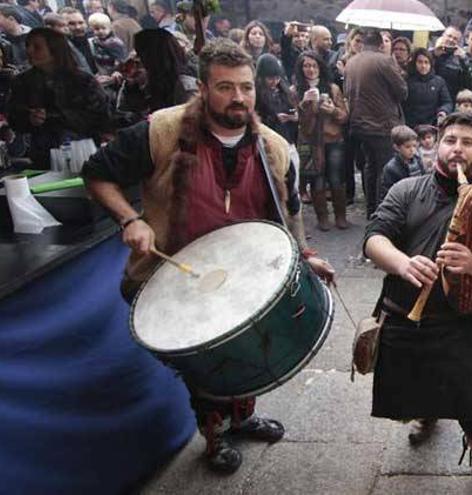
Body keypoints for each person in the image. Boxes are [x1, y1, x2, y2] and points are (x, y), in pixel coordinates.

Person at [81, 39, 335, 474]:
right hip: (173, 273)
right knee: (210, 364)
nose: (238, 97)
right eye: (224, 87)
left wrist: (305, 254)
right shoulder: (161, 130)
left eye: (246, 87)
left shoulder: (272, 146)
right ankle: (215, 437)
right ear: (202, 87)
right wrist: (130, 220)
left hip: (244, 269)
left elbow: (290, 211)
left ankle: (243, 416)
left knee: (253, 345)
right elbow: (97, 174)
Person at [363, 112, 472, 495]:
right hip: (403, 315)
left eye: (467, 142)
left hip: (458, 321)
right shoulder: (405, 190)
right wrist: (402, 262)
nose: (457, 149)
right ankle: (428, 412)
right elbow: (373, 238)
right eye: (450, 140)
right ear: (437, 146)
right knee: (417, 389)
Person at [6, 27, 111, 167]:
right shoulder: (22, 82)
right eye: (28, 46)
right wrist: (29, 118)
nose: (29, 51)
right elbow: (14, 116)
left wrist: (52, 116)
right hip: (43, 154)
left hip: (83, 150)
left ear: (55, 50)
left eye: (37, 47)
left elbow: (101, 116)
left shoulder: (82, 80)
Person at [344, 28, 407, 219]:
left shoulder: (351, 62)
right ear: (381, 44)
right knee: (384, 169)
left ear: (363, 43)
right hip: (381, 125)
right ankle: (383, 212)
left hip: (359, 124)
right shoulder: (384, 60)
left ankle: (371, 210)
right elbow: (403, 92)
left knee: (370, 167)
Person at [295, 50, 350, 230]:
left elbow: (344, 116)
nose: (310, 69)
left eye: (314, 65)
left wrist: (332, 110)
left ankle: (340, 215)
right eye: (306, 66)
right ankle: (322, 218)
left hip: (333, 139)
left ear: (320, 67)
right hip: (311, 141)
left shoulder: (332, 88)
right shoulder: (296, 90)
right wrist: (304, 105)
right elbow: (297, 122)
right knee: (316, 179)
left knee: (336, 177)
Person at [117, 29, 197, 118]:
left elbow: (189, 122)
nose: (137, 60)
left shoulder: (185, 87)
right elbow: (123, 113)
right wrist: (132, 87)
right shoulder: (147, 83)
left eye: (140, 54)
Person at [403, 48, 453, 128]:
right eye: (420, 62)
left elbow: (447, 102)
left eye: (426, 62)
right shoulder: (406, 81)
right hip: (410, 125)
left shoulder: (439, 82)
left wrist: (443, 111)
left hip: (432, 125)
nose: (423, 66)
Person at [254, 53, 296, 143]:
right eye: (270, 79)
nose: (274, 82)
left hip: (288, 136)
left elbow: (291, 108)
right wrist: (274, 119)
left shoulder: (284, 91)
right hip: (268, 138)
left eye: (277, 78)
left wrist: (293, 116)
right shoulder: (256, 94)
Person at [379, 124, 424, 200]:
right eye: (407, 147)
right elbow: (386, 192)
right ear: (397, 147)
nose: (412, 150)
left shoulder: (418, 160)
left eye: (414, 146)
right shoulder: (391, 168)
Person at [59, 7, 97, 73]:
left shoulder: (95, 41)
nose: (78, 27)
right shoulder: (60, 50)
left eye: (80, 23)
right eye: (71, 24)